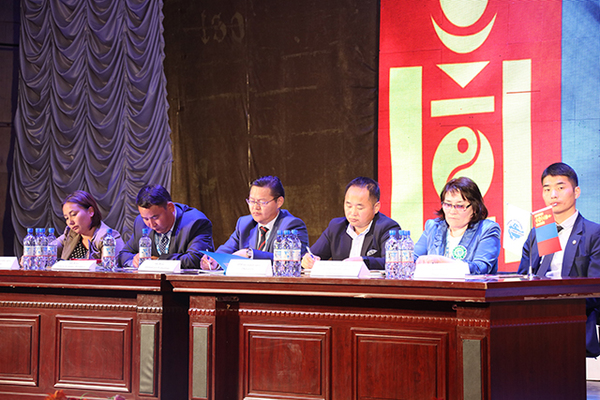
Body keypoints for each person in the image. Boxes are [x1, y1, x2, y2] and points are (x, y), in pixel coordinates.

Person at [518, 162, 600, 357]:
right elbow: (523, 277)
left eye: (560, 188)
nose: (553, 195)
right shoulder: (539, 232)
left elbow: (595, 291)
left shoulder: (593, 233)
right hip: (534, 317)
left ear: (576, 192)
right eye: (547, 189)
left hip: (575, 319)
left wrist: (555, 304)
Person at [201, 176, 308, 270]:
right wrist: (213, 262)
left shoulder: (292, 225)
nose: (255, 207)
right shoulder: (244, 223)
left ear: (279, 202)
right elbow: (226, 251)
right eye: (252, 201)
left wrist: (250, 254)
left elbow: (291, 261)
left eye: (262, 202)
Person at [301, 177, 400, 270]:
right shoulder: (336, 227)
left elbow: (393, 263)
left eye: (360, 207)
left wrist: (364, 262)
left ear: (376, 207)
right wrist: (307, 260)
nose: (353, 213)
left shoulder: (388, 228)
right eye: (348, 206)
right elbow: (313, 255)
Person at [414, 177, 500, 274]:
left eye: (459, 206)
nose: (452, 211)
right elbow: (410, 261)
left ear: (475, 208)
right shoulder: (433, 227)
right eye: (447, 204)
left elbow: (480, 269)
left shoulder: (487, 229)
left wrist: (441, 261)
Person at [118, 184, 214, 269]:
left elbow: (195, 259)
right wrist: (134, 260)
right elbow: (123, 255)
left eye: (155, 217)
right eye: (146, 219)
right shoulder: (140, 223)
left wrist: (158, 262)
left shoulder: (195, 222)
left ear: (170, 207)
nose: (151, 224)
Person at [54, 190, 125, 260]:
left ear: (90, 211)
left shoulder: (108, 237)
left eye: (73, 214)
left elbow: (109, 266)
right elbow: (49, 250)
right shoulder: (70, 234)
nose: (70, 222)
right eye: (66, 218)